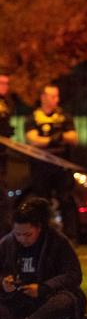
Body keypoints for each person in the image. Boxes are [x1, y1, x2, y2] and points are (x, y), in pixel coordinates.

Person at [0, 197, 87, 319]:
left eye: (28, 234)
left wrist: (43, 288)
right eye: (18, 234)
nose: (22, 239)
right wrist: (4, 283)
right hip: (17, 300)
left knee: (68, 300)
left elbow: (73, 275)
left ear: (39, 228)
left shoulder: (57, 241)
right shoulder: (7, 243)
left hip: (47, 299)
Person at [25, 85, 79, 197]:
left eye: (57, 96)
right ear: (43, 97)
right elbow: (34, 140)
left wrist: (48, 139)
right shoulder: (33, 118)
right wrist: (57, 138)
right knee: (42, 198)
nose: (57, 100)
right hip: (41, 167)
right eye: (53, 97)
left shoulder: (64, 117)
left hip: (62, 166)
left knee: (66, 198)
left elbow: (74, 138)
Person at [0, 70, 14, 237]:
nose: (5, 87)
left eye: (6, 83)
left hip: (3, 155)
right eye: (1, 83)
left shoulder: (8, 102)